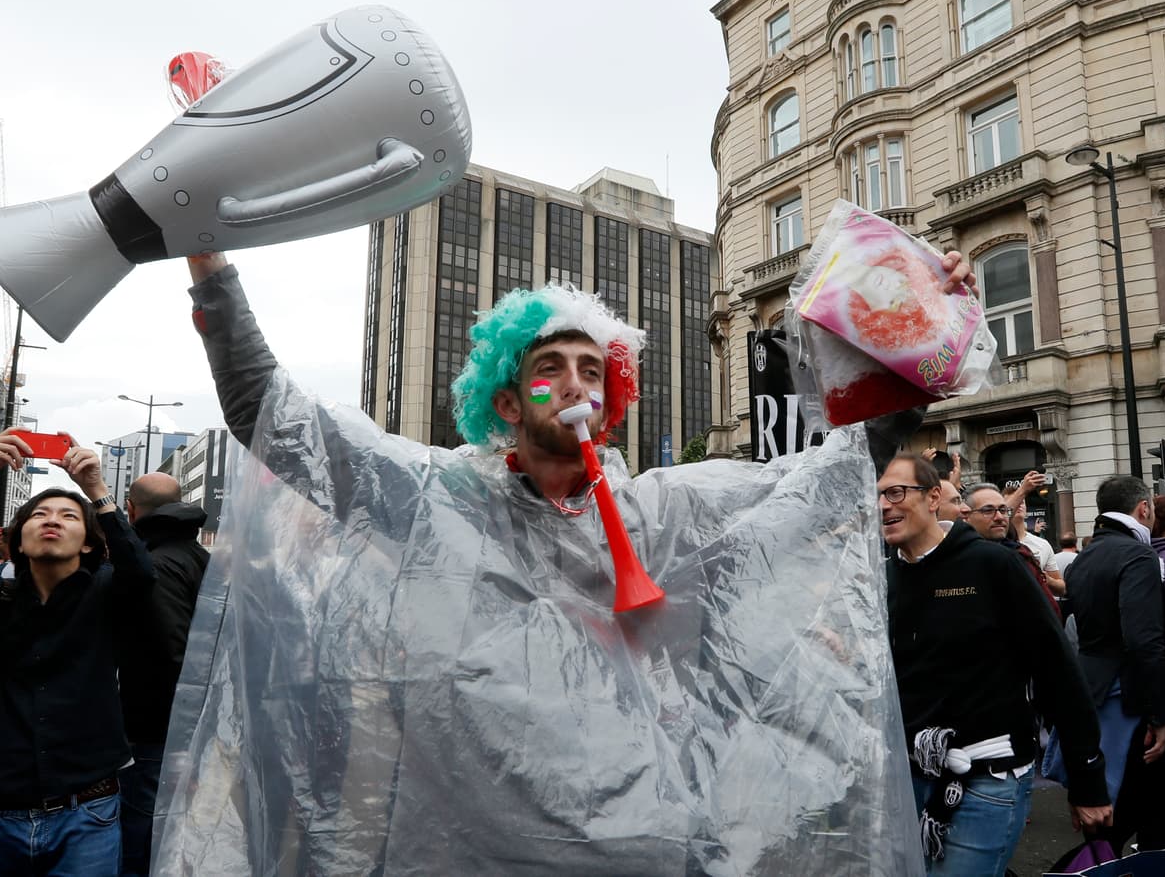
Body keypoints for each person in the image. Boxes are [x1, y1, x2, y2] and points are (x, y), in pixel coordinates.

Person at [156, 252, 978, 875]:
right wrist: (212, 268)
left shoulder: (660, 510)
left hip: (638, 843)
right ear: (506, 403)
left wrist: (924, 337)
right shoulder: (432, 495)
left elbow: (815, 489)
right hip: (469, 846)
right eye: (550, 369)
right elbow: (272, 415)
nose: (576, 384)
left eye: (593, 370)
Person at [0, 432, 154, 876]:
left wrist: (96, 489)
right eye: (38, 514)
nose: (51, 520)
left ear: (90, 543)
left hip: (87, 811)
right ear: (17, 542)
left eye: (67, 516)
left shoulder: (106, 595)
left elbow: (141, 573)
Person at [878, 453, 1110, 873]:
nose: (884, 505)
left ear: (934, 497)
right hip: (908, 779)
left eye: (896, 492)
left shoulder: (992, 564)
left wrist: (1087, 779)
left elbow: (1057, 671)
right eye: (876, 496)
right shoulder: (882, 578)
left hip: (987, 780)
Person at [1065, 476, 1165, 856]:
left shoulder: (1086, 556)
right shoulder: (1137, 555)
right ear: (1143, 509)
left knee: (1109, 814)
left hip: (1095, 695)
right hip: (1132, 703)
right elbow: (1144, 640)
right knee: (1154, 818)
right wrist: (1161, 716)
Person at [117, 472, 209, 877]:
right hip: (191, 727)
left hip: (156, 730)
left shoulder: (156, 565)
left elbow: (170, 652)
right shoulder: (201, 559)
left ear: (131, 510)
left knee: (143, 837)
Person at [964, 483, 1060, 618]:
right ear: (966, 515)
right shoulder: (959, 559)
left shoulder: (1021, 553)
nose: (999, 517)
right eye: (988, 510)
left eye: (1003, 510)